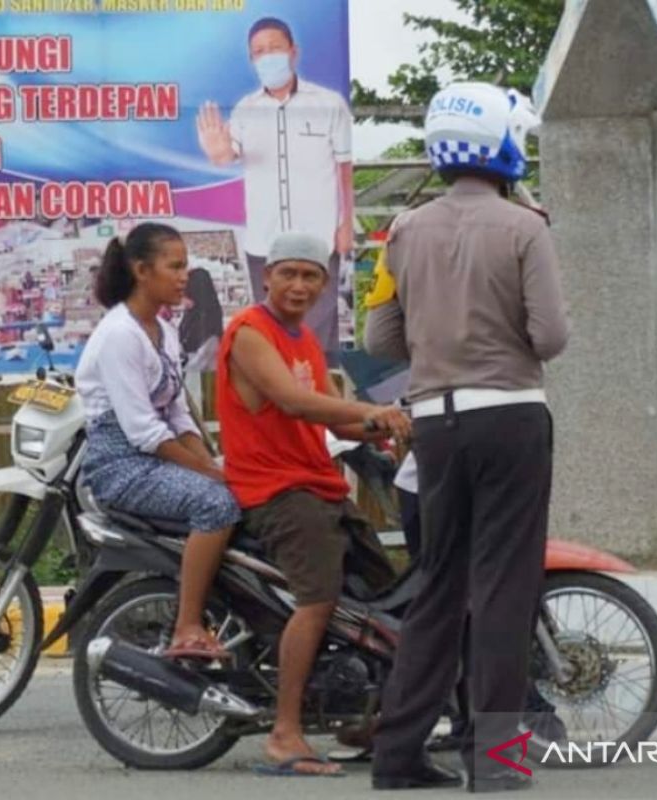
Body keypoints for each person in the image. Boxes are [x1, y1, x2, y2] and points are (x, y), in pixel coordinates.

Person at [366, 82, 570, 792]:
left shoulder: (404, 229)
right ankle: (496, 763)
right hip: (511, 414)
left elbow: (379, 335)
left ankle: (397, 758)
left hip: (435, 425)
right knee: (505, 590)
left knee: (438, 587)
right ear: (503, 143)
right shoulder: (526, 228)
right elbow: (551, 336)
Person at [215, 231, 410, 777]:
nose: (299, 285)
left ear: (325, 284)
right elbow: (297, 402)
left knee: (382, 595)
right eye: (289, 274)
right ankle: (284, 733)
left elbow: (334, 413)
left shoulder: (302, 339)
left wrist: (386, 427)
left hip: (317, 482)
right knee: (318, 599)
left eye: (310, 276)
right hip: (275, 490)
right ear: (267, 277)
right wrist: (373, 416)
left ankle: (374, 717)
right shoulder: (251, 332)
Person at [75, 223, 240, 660]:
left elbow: (179, 414)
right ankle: (186, 626)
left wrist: (214, 465)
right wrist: (209, 474)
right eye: (176, 266)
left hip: (158, 456)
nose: (184, 275)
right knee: (216, 504)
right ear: (142, 270)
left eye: (186, 265)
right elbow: (143, 431)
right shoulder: (119, 335)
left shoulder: (164, 332)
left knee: (247, 491)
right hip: (121, 465)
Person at [195, 16, 353, 354]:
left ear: (293, 52)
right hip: (264, 244)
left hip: (319, 238)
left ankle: (319, 402)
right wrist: (218, 152)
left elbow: (344, 166)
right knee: (273, 334)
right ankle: (280, 401)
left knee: (317, 336)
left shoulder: (328, 104)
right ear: (252, 60)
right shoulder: (244, 110)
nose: (268, 57)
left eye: (275, 48)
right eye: (259, 52)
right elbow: (227, 155)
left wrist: (347, 224)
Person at [179, 266, 224, 373]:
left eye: (185, 294)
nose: (182, 299)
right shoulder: (190, 319)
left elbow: (195, 366)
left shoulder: (208, 329)